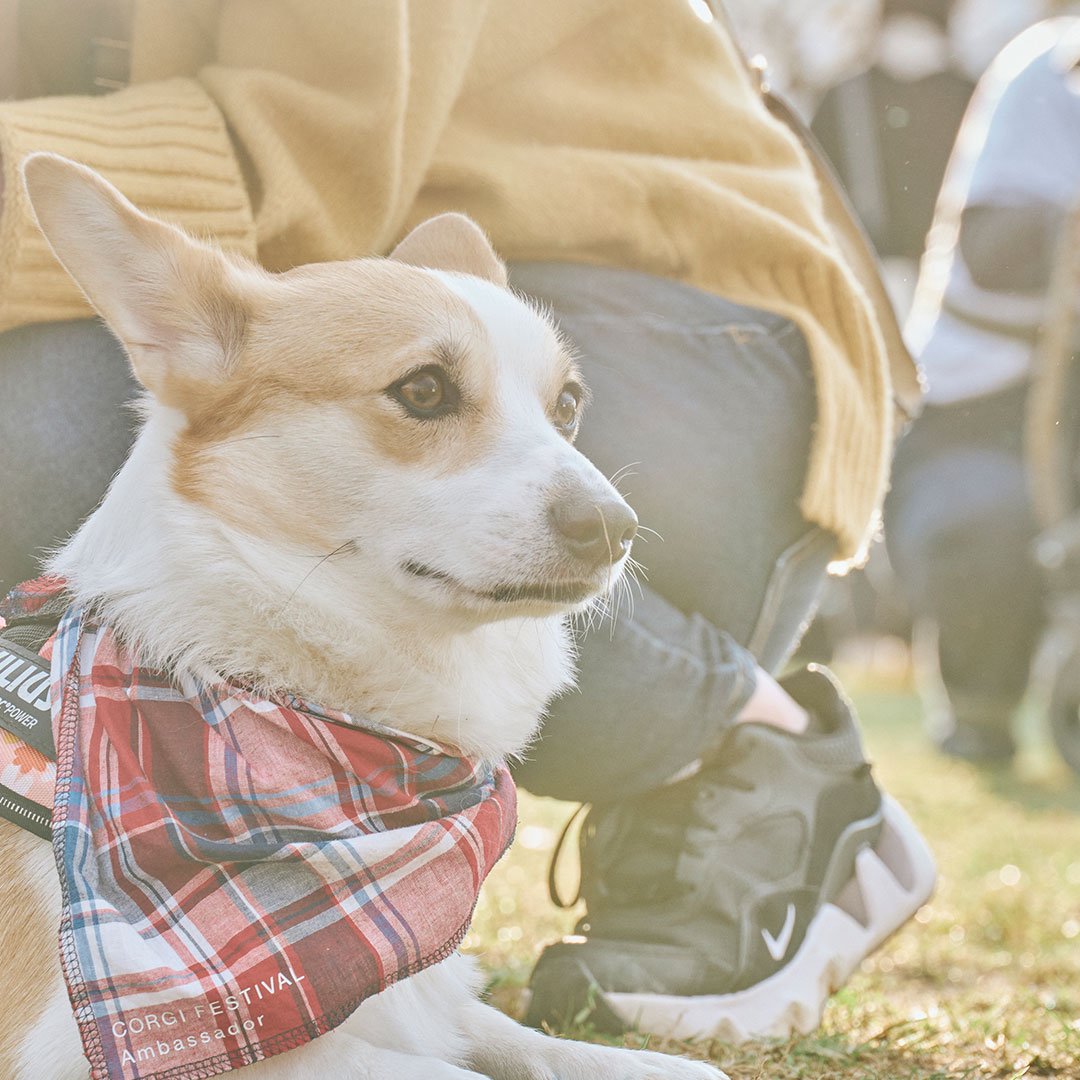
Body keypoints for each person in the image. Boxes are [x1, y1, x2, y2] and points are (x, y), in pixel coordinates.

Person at [0, 0, 930, 1042]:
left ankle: (746, 743)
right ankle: (234, 888)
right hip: (390, 318)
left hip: (694, 326)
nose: (600, 515)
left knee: (47, 414)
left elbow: (313, 154)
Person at [886, 17, 1080, 762]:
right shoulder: (1048, 68)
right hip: (979, 417)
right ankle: (979, 703)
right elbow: (996, 247)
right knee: (984, 521)